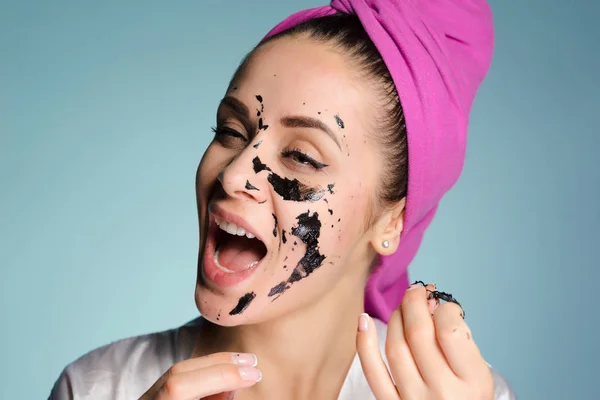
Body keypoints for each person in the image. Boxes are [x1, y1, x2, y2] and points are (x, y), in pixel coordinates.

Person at [49, 1, 516, 399]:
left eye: (300, 156)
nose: (234, 174)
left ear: (393, 220)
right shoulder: (98, 387)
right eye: (231, 132)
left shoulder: (458, 393)